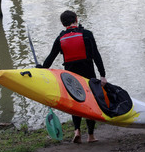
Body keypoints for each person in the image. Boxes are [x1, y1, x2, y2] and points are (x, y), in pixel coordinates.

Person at [40, 10, 107, 143]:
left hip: (70, 77)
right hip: (88, 76)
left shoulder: (60, 38)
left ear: (62, 23)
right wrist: (102, 75)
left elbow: (51, 57)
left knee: (75, 102)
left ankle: (77, 130)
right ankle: (91, 136)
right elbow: (96, 56)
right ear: (76, 19)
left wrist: (41, 69)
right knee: (90, 103)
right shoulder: (87, 34)